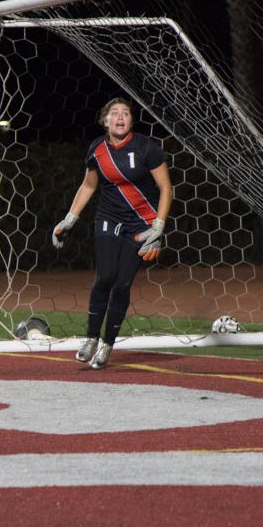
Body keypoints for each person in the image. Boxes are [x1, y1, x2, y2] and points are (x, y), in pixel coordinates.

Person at [51, 97, 173, 369]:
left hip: (142, 223)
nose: (120, 117)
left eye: (126, 113)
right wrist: (68, 220)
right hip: (108, 217)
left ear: (131, 120)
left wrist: (158, 227)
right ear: (105, 121)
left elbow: (166, 188)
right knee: (105, 277)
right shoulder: (97, 149)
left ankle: (107, 344)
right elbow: (88, 186)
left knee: (122, 284)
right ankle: (91, 337)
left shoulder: (146, 148)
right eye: (114, 113)